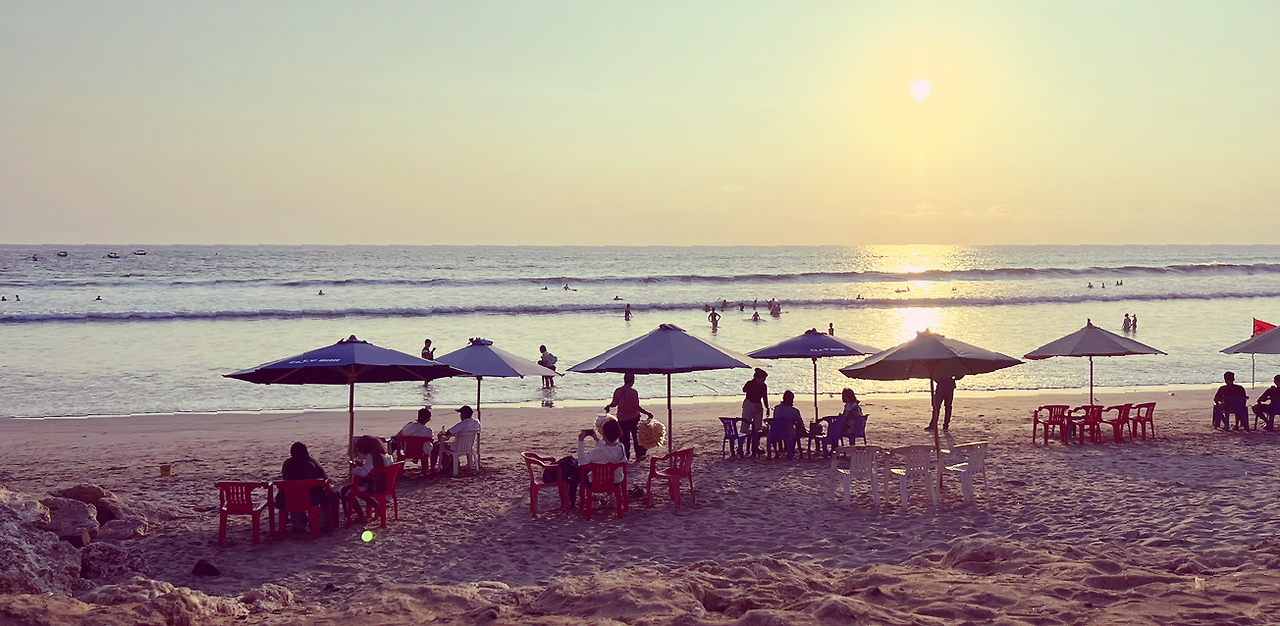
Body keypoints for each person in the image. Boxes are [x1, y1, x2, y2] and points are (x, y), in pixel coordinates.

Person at [568, 418, 626, 507]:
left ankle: (588, 501)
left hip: (596, 483)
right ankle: (612, 498)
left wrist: (581, 441)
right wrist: (596, 438)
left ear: (604, 435)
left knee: (579, 472)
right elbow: (607, 449)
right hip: (616, 481)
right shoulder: (621, 448)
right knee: (606, 472)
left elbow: (582, 462)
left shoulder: (598, 452)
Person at [275, 442, 332, 531]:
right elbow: (324, 479)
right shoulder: (312, 462)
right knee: (319, 525)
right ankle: (316, 523)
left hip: (291, 500)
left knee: (298, 525)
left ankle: (300, 523)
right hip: (313, 499)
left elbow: (285, 477)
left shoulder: (287, 464)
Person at [604, 373, 654, 462]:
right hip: (633, 417)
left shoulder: (618, 391)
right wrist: (647, 413)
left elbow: (614, 403)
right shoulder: (633, 392)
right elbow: (635, 406)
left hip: (621, 418)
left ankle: (625, 457)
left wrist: (608, 406)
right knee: (637, 437)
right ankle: (639, 455)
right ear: (632, 380)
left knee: (624, 439)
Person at [345, 436, 392, 523]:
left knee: (347, 492)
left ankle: (361, 516)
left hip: (376, 485)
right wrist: (361, 466)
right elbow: (371, 469)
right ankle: (376, 507)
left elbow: (365, 473)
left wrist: (354, 469)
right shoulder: (386, 455)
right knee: (357, 489)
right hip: (387, 484)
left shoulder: (373, 456)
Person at [434, 405, 482, 470]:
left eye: (461, 414)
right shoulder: (476, 423)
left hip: (457, 446)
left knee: (438, 445)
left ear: (465, 414)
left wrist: (443, 433)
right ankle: (454, 462)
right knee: (444, 444)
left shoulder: (463, 423)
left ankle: (448, 463)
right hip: (469, 446)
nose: (460, 416)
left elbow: (449, 432)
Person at [741, 368, 770, 456]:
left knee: (758, 427)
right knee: (745, 426)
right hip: (749, 404)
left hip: (758, 404)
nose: (763, 381)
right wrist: (753, 385)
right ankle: (740, 447)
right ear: (757, 378)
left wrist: (767, 407)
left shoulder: (764, 386)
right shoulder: (750, 383)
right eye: (763, 379)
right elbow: (744, 390)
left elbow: (765, 397)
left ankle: (756, 446)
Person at [770, 390, 805, 460]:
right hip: (788, 432)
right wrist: (803, 429)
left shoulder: (777, 408)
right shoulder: (794, 411)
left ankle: (777, 451)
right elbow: (800, 423)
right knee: (795, 432)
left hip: (776, 431)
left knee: (779, 428)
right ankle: (791, 449)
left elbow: (775, 419)